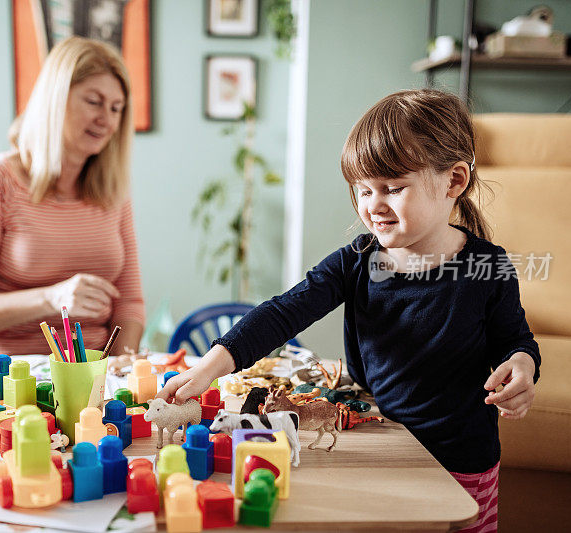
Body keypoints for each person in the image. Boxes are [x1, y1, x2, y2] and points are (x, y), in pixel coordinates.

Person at [158, 89, 540, 532]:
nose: (372, 206)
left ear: (454, 181)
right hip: (383, 439)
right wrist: (211, 366)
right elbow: (285, 311)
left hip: (460, 455)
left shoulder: (488, 266)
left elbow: (516, 340)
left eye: (393, 189)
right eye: (362, 190)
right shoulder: (356, 262)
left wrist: (522, 365)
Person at [0, 37, 145, 361]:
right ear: (55, 100)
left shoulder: (113, 191)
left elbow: (129, 304)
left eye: (116, 108)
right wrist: (51, 298)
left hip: (93, 379)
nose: (107, 119)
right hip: (4, 373)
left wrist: (121, 367)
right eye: (94, 101)